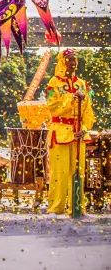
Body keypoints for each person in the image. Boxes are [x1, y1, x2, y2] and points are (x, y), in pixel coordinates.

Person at [44, 49, 95, 217]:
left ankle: (77, 207)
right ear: (62, 62)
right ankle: (56, 208)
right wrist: (72, 98)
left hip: (78, 133)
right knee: (59, 172)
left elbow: (88, 111)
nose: (73, 63)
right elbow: (51, 105)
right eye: (69, 59)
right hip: (60, 133)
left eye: (74, 60)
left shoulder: (82, 84)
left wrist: (84, 128)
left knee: (79, 171)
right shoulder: (53, 83)